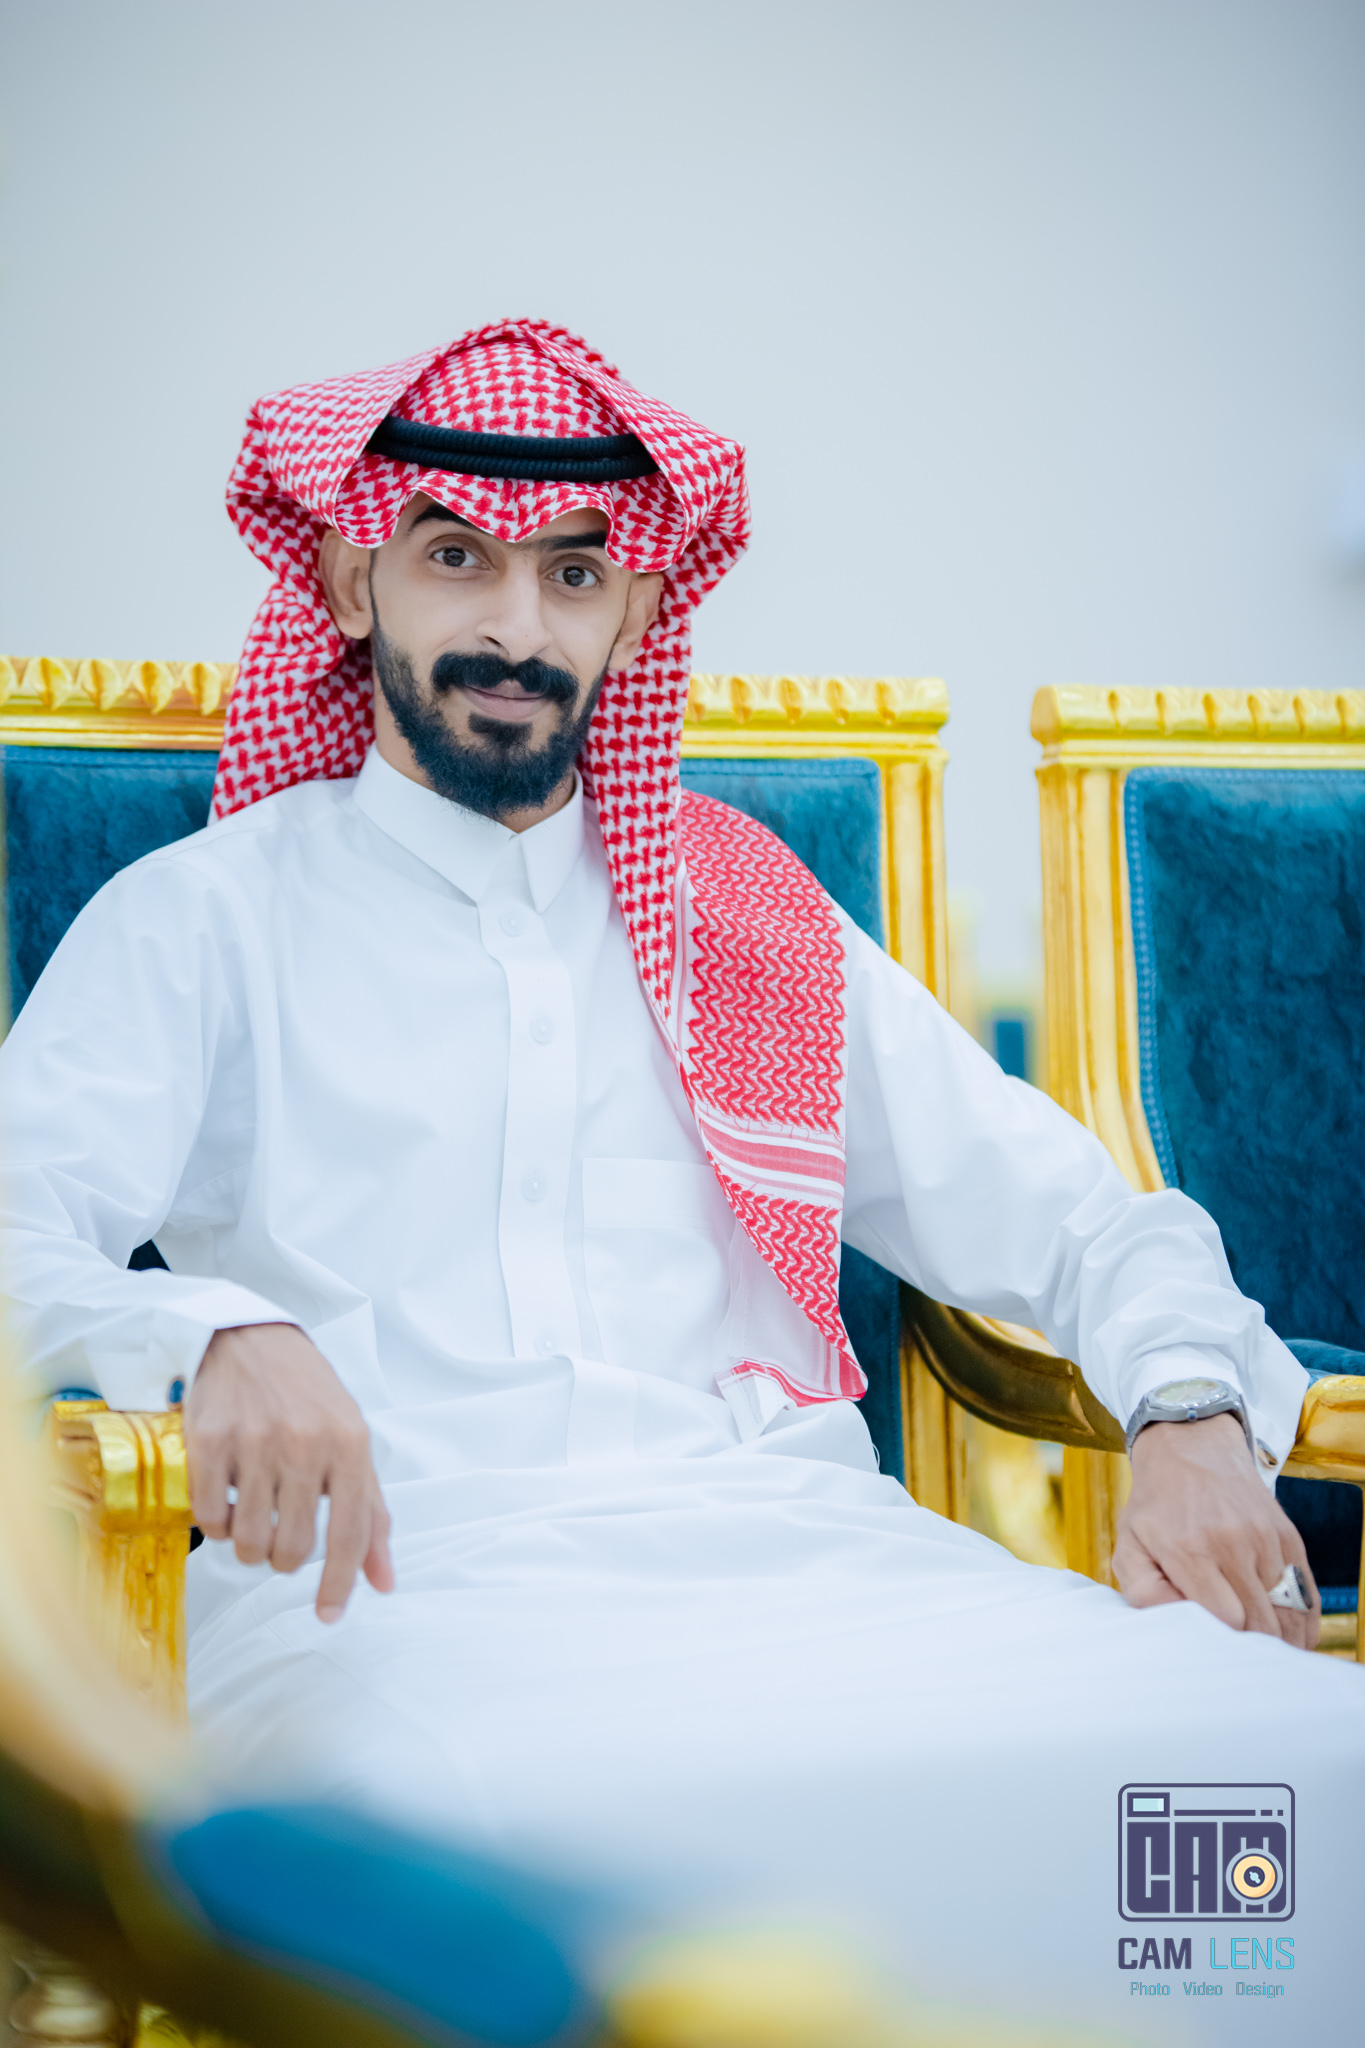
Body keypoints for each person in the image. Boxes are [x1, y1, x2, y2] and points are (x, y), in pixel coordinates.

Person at [2, 321, 1361, 2038]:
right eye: (455, 557)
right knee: (489, 1849)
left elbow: (1090, 1221)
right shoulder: (204, 920)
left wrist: (1185, 1414)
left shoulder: (748, 921)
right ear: (349, 580)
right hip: (397, 1595)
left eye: (574, 574)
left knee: (1298, 1769)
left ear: (639, 607)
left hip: (822, 1569)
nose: (516, 627)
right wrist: (208, 1332)